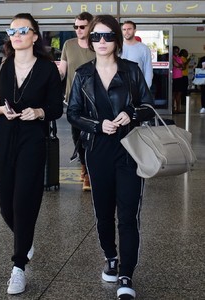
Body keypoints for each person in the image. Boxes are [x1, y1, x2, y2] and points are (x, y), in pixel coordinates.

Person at [67, 14, 154, 300]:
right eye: (95, 36)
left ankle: (127, 273)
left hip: (129, 148)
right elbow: (73, 114)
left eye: (107, 36)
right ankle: (111, 257)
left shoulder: (130, 70)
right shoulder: (83, 74)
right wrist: (96, 125)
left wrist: (131, 113)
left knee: (128, 214)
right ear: (89, 40)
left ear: (117, 39)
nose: (101, 41)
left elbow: (148, 106)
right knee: (103, 212)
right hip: (97, 151)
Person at [0, 13, 63, 295]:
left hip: (32, 139)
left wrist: (39, 111)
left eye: (23, 30)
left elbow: (56, 108)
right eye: (12, 31)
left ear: (35, 35)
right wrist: (0, 110)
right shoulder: (1, 66)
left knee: (24, 199)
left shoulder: (47, 69)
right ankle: (24, 239)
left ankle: (18, 267)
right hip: (3, 137)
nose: (16, 35)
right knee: (5, 202)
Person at [58, 12, 95, 191]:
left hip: (95, 100)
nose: (78, 30)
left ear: (90, 26)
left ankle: (88, 172)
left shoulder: (98, 44)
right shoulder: (68, 44)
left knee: (94, 135)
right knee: (77, 136)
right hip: (74, 100)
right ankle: (83, 165)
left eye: (82, 27)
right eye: (76, 27)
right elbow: (62, 71)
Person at [121, 20, 153, 88]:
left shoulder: (144, 49)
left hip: (136, 87)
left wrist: (146, 88)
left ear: (135, 30)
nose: (126, 32)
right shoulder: (117, 48)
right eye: (124, 29)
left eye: (129, 29)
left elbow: (148, 70)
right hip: (119, 87)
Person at [172, 46, 184, 113]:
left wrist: (180, 65)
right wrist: (180, 65)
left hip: (180, 77)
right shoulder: (172, 57)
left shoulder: (179, 58)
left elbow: (183, 66)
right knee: (173, 94)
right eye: (175, 51)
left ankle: (178, 109)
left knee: (179, 94)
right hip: (174, 77)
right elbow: (176, 65)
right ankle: (172, 109)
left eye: (178, 51)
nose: (177, 52)